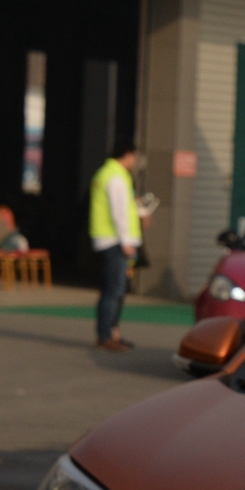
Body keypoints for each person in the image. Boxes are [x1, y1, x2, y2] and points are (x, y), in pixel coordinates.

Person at [90, 138, 142, 353]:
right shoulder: (116, 177)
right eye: (135, 157)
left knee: (115, 290)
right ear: (128, 155)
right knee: (114, 290)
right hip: (114, 241)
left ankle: (112, 333)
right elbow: (118, 211)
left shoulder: (106, 173)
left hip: (108, 239)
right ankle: (106, 335)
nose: (135, 162)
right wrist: (126, 241)